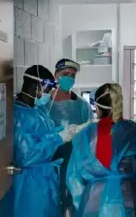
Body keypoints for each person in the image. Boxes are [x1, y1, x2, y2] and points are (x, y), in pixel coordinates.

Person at [66, 83, 136, 217]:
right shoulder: (134, 133)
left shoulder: (85, 136)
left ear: (97, 107)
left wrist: (82, 202)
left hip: (94, 205)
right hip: (128, 203)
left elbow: (73, 178)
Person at [13, 65, 84, 217]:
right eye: (47, 87)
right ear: (35, 85)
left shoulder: (39, 110)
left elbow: (46, 132)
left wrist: (66, 131)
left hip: (47, 181)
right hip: (31, 186)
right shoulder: (19, 115)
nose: (49, 92)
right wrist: (58, 138)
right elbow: (27, 155)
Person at [46, 58, 94, 216]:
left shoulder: (82, 106)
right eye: (65, 74)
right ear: (55, 75)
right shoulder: (44, 105)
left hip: (74, 164)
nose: (69, 78)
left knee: (71, 203)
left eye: (73, 75)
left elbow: (90, 138)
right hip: (47, 163)